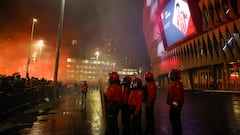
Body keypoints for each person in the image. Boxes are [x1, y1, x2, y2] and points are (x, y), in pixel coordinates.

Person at [167, 69, 184, 135]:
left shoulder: (176, 84)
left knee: (175, 120)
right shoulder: (175, 83)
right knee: (174, 119)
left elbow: (177, 97)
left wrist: (174, 104)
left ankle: (177, 132)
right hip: (174, 104)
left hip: (175, 105)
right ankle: (176, 132)